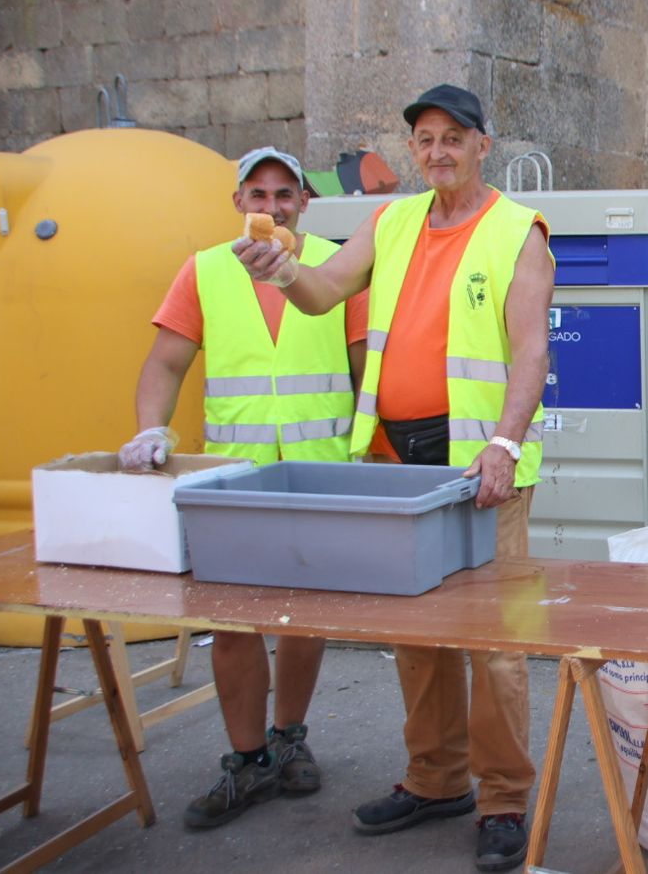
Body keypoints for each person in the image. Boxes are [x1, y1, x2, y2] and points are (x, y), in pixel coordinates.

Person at [234, 85, 553, 872]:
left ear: (485, 143)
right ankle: (436, 778)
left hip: (480, 461)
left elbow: (531, 352)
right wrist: (279, 268)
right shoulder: (393, 220)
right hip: (394, 456)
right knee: (417, 636)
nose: (437, 151)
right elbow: (320, 293)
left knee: (495, 645)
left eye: (453, 137)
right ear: (413, 150)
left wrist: (504, 447)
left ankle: (505, 796)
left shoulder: (520, 232)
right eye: (424, 139)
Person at [119, 146, 367, 828]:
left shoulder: (336, 266)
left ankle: (290, 737)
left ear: (304, 204)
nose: (271, 205)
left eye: (284, 194)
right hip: (235, 473)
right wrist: (151, 430)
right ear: (238, 204)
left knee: (305, 617)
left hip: (319, 468)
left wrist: (375, 452)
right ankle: (248, 756)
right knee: (232, 621)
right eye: (257, 194)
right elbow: (166, 362)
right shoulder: (204, 271)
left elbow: (361, 366)